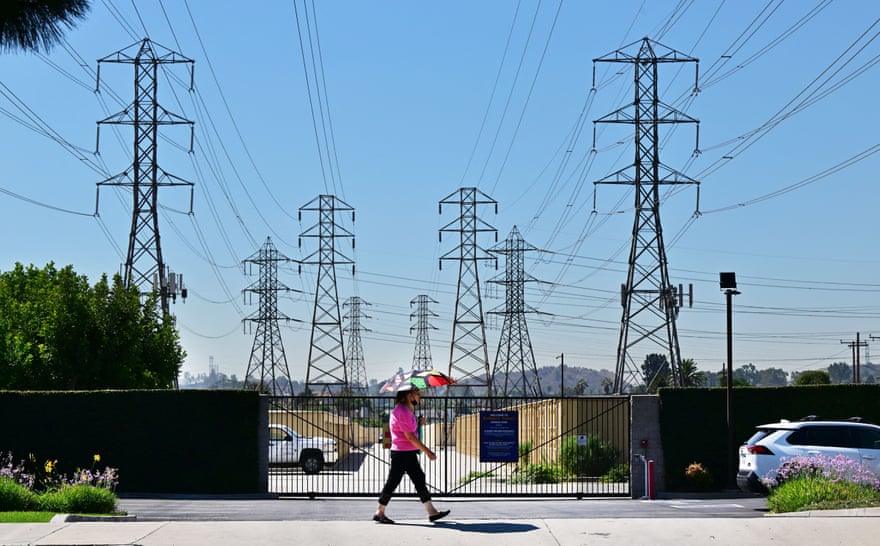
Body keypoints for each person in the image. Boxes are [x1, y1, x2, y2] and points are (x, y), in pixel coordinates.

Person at [373, 382, 450, 524]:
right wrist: (427, 451)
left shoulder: (407, 411)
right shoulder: (401, 411)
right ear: (409, 396)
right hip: (401, 453)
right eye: (417, 393)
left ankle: (432, 512)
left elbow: (411, 432)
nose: (419, 396)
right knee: (393, 481)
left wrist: (419, 423)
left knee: (419, 479)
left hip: (407, 453)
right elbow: (409, 437)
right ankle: (380, 511)